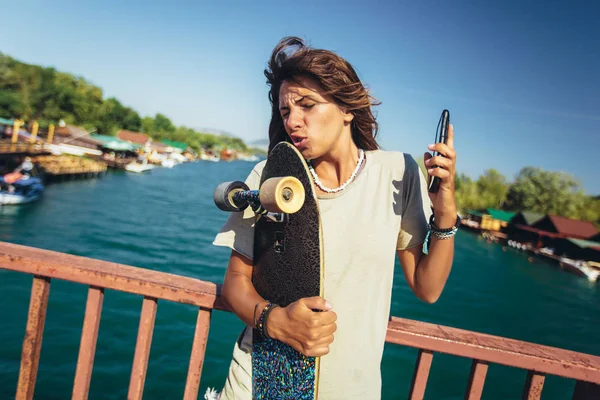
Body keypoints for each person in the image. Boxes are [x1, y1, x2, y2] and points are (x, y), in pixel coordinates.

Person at [212, 36, 458, 400]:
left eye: (307, 105)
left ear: (346, 108)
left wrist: (446, 210)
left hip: (350, 388)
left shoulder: (398, 172)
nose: (293, 121)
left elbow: (428, 287)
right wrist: (274, 321)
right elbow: (235, 282)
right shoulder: (271, 177)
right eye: (285, 112)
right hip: (259, 379)